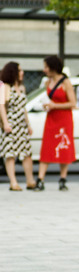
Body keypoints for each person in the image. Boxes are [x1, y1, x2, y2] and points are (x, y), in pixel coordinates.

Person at [35, 56, 76, 192]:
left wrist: (55, 105)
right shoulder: (47, 82)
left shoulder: (66, 82)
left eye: (46, 67)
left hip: (64, 119)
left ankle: (62, 179)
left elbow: (73, 103)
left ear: (53, 67)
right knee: (47, 146)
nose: (44, 69)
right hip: (51, 117)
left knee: (63, 147)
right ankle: (40, 179)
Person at [0, 62, 35, 191]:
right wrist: (5, 123)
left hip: (21, 125)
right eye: (19, 70)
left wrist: (28, 124)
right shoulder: (5, 87)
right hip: (11, 124)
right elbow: (1, 106)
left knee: (27, 153)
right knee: (10, 154)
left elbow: (23, 109)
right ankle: (13, 182)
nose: (22, 73)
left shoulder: (21, 87)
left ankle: (30, 180)